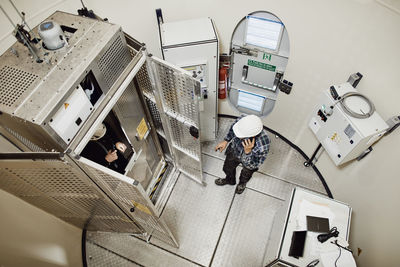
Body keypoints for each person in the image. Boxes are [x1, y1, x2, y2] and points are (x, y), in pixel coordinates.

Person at [214, 115, 270, 194]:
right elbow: (233, 130)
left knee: (246, 174)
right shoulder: (242, 121)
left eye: (242, 136)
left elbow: (254, 165)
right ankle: (230, 180)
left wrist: (248, 152)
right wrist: (226, 141)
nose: (237, 136)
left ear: (253, 136)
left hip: (249, 161)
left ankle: (242, 184)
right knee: (227, 168)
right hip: (234, 150)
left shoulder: (263, 143)